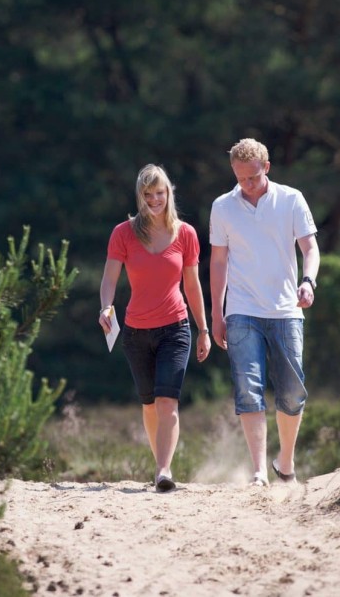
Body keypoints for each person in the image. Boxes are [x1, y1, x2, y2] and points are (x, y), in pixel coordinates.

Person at [209, 138, 319, 487]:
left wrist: (308, 281)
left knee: (290, 391)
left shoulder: (291, 199)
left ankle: (284, 462)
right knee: (248, 388)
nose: (247, 185)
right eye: (241, 178)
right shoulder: (223, 207)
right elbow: (218, 261)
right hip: (242, 309)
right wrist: (216, 313)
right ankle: (258, 471)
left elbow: (310, 247)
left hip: (286, 308)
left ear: (266, 168)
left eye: (253, 177)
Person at [99, 164, 211, 493]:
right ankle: (159, 461)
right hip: (135, 333)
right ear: (140, 196)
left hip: (175, 329)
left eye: (159, 193)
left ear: (169, 193)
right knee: (148, 404)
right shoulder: (124, 233)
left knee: (167, 402)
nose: (154, 200)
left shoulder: (186, 234)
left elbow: (192, 286)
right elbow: (108, 279)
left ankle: (164, 470)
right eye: (147, 195)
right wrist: (106, 306)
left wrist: (203, 329)